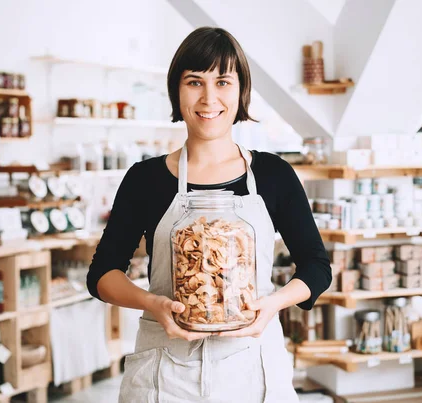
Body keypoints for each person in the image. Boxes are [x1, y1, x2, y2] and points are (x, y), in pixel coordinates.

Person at [87, 26, 331, 402]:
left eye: (222, 81)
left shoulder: (273, 175)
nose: (209, 98)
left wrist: (274, 304)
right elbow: (102, 274)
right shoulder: (145, 179)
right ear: (177, 90)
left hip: (253, 371)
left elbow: (316, 266)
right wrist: (153, 304)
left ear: (240, 90)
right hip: (165, 374)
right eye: (194, 82)